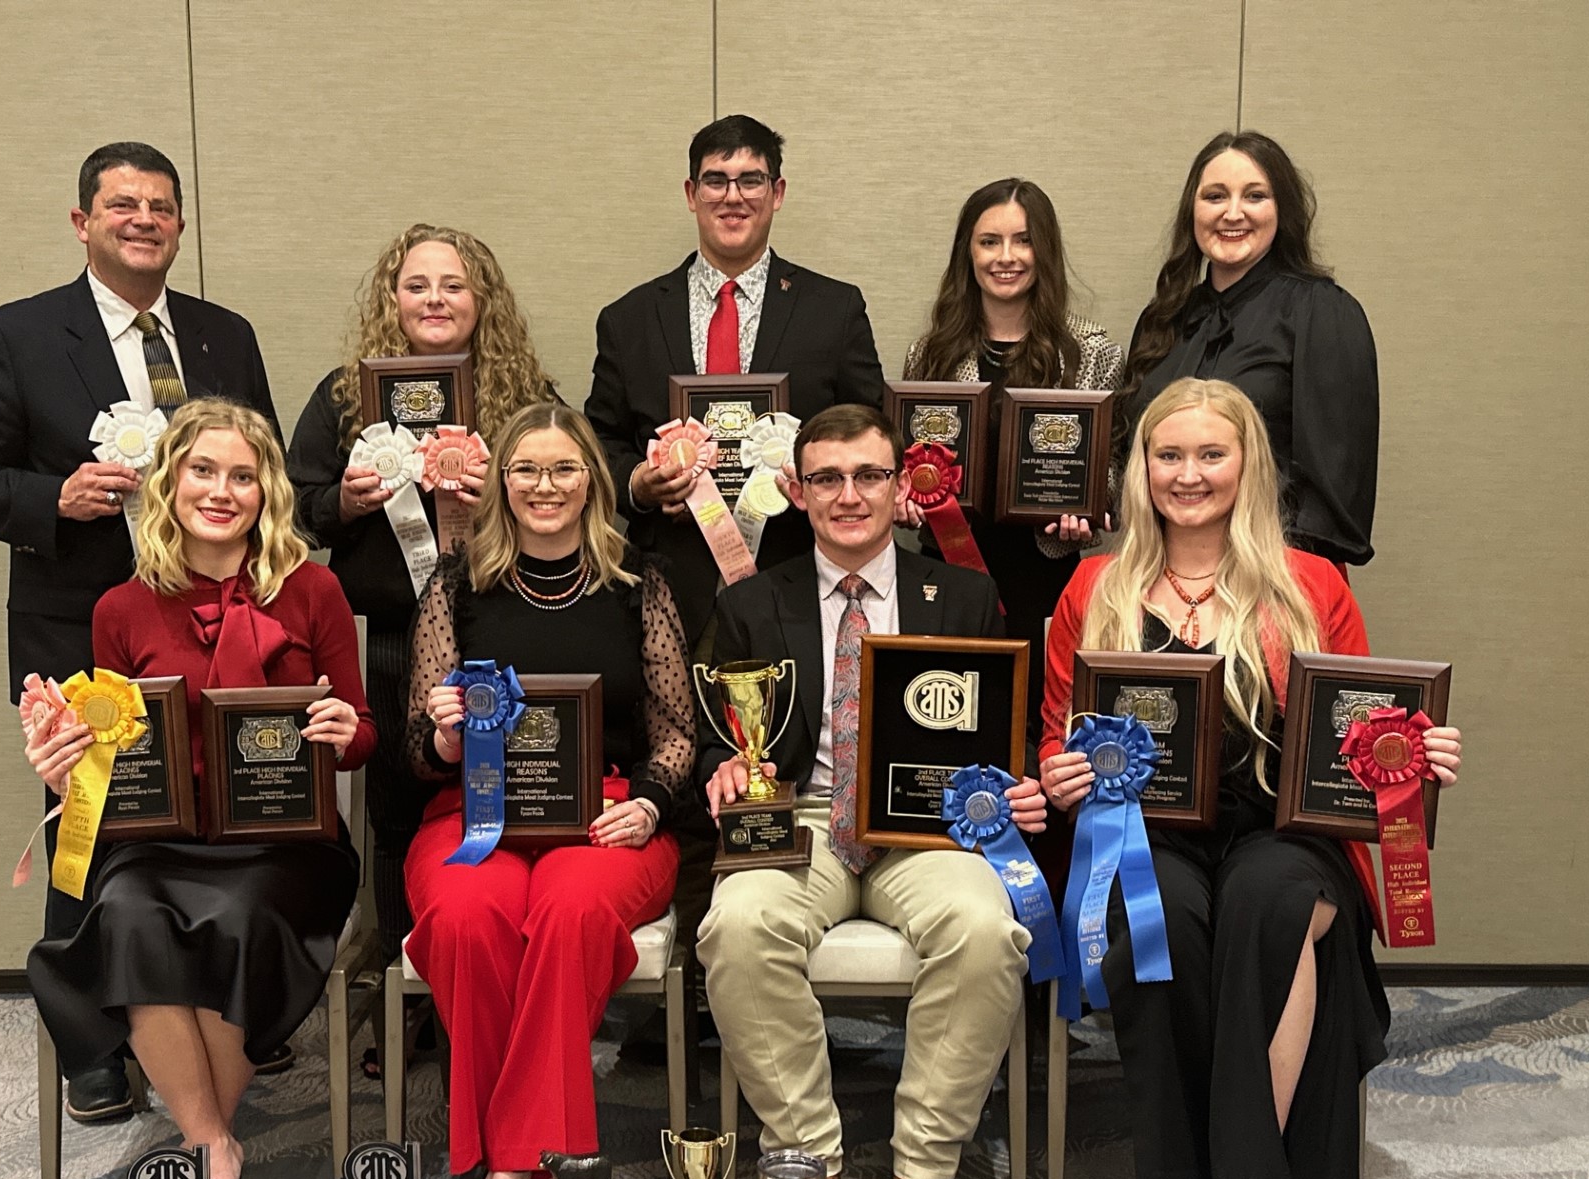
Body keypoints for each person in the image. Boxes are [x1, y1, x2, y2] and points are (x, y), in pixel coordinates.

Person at [1039, 378, 1463, 1179]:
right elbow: (1054, 733)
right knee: (1162, 918)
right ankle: (1254, 1174)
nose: (1188, 474)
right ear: (1142, 470)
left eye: (1210, 454)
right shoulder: (1092, 589)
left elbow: (1360, 728)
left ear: (1247, 465)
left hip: (1283, 829)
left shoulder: (1313, 584)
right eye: (1168, 455)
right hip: (1146, 835)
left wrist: (1416, 755)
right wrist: (1061, 776)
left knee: (1273, 906)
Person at [0, 142, 280, 1123]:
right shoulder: (18, 334)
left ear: (181, 226)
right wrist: (56, 496)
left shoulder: (222, 336)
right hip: (81, 629)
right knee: (88, 831)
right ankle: (91, 1044)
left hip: (216, 624)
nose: (143, 220)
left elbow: (261, 466)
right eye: (122, 205)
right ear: (82, 222)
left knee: (221, 811)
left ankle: (224, 1010)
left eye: (161, 207)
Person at [24, 400, 373, 1179]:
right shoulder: (121, 608)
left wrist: (343, 731)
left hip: (287, 845)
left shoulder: (314, 590)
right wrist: (65, 767)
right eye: (203, 471)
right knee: (131, 915)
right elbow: (111, 753)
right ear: (169, 484)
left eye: (243, 476)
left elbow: (363, 731)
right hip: (161, 841)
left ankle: (200, 1142)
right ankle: (213, 1144)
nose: (222, 491)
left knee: (241, 917)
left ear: (268, 492)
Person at [696, 404, 1045, 1179]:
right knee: (737, 927)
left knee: (986, 932)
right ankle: (807, 1162)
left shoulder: (963, 596)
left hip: (928, 828)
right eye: (827, 478)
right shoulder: (753, 602)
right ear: (797, 490)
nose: (848, 496)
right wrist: (725, 767)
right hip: (802, 819)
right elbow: (719, 727)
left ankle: (924, 1175)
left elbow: (1007, 728)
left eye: (868, 476)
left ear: (899, 488)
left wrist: (1018, 783)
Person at [402, 403, 692, 1179]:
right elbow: (419, 743)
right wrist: (445, 736)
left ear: (592, 482)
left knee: (567, 910)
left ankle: (503, 1176)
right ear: (501, 482)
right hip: (474, 812)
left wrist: (650, 804)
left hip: (607, 814)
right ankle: (535, 1173)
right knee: (466, 915)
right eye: (525, 468)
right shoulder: (457, 586)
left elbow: (678, 732)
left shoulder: (638, 584)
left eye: (565, 468)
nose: (545, 486)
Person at [286, 224, 560, 1045]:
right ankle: (412, 997)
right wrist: (346, 501)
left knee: (510, 800)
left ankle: (497, 982)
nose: (435, 299)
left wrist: (499, 497)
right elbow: (293, 508)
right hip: (390, 639)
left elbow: (574, 496)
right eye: (417, 285)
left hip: (504, 630)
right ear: (392, 298)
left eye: (453, 284)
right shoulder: (345, 397)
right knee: (397, 813)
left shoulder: (527, 392)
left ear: (482, 300)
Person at [585, 113, 885, 649]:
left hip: (799, 581)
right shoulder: (629, 319)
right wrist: (639, 484)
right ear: (691, 193)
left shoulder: (834, 310)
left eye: (751, 180)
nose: (733, 197)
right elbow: (598, 442)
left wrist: (816, 477)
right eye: (715, 180)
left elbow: (872, 433)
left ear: (777, 192)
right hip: (670, 589)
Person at [904, 176, 1124, 743]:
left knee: (1041, 725)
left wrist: (1092, 508)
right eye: (989, 241)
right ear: (968, 252)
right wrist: (903, 497)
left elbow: (1115, 466)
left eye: (1023, 240)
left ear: (1044, 250)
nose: (1007, 257)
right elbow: (906, 459)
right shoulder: (930, 352)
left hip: (1044, 572)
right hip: (949, 569)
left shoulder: (1089, 350)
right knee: (950, 721)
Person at [1114, 131, 1378, 568]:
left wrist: (1273, 578)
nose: (1232, 213)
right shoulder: (1162, 319)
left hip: (1276, 571)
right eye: (1215, 196)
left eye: (1255, 196)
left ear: (1282, 210)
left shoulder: (1322, 313)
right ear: (1193, 210)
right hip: (1163, 570)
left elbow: (1335, 485)